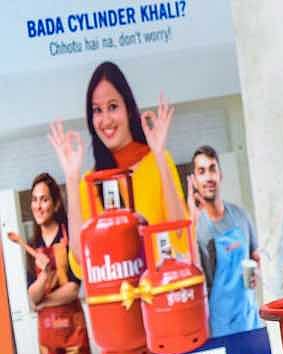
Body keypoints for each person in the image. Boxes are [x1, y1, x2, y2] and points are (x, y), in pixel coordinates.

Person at [46, 61, 188, 283]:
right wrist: (71, 179)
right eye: (97, 110)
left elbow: (180, 235)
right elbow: (82, 261)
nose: (106, 120)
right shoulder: (91, 182)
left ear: (128, 109)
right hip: (118, 301)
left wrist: (159, 154)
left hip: (162, 294)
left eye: (113, 107)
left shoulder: (158, 160)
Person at [15, 173, 92, 354]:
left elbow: (73, 289)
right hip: (47, 340)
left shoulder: (69, 238)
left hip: (74, 334)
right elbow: (33, 296)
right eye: (34, 200)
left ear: (56, 204)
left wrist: (44, 303)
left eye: (44, 199)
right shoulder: (33, 245)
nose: (38, 206)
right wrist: (44, 274)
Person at [189, 145, 263, 336]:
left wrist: (256, 271)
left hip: (249, 320)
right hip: (218, 328)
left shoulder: (240, 216)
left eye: (212, 169)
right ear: (194, 180)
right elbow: (193, 279)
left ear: (220, 174)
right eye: (201, 171)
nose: (208, 177)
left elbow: (256, 257)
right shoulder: (195, 228)